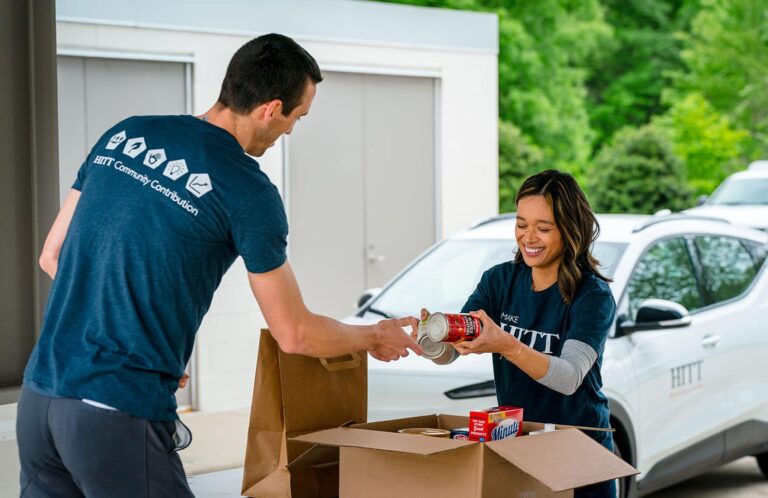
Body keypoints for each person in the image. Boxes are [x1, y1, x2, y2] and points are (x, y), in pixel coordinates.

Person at [17, 33, 421, 498]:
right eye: (297, 117)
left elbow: (53, 255)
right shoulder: (247, 190)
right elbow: (294, 333)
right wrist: (374, 336)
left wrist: (137, 334)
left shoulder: (126, 134)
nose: (291, 131)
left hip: (41, 396)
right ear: (271, 109)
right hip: (115, 408)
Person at [421, 170, 617, 498]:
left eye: (543, 228)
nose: (528, 237)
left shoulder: (592, 296)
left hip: (580, 451)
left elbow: (569, 377)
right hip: (519, 447)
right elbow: (453, 350)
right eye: (521, 224)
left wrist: (507, 345)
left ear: (570, 230)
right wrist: (429, 338)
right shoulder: (499, 281)